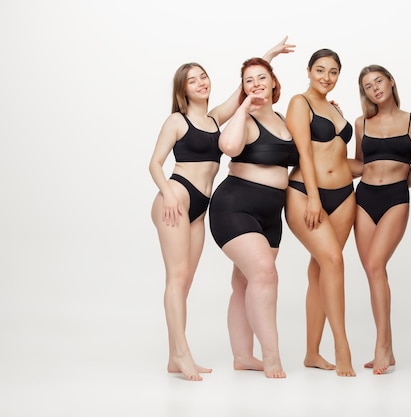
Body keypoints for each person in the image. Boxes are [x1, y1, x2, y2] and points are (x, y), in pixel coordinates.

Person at [149, 37, 295, 381]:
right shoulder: (177, 121)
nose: (201, 82)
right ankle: (182, 353)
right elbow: (155, 163)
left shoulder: (214, 120)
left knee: (186, 282)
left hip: (200, 207)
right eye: (193, 80)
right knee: (177, 278)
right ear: (182, 90)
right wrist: (167, 192)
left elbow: (245, 95)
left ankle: (174, 356)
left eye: (204, 77)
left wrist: (268, 57)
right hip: (176, 198)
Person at [209, 57, 298, 378]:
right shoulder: (243, 120)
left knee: (244, 282)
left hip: (271, 215)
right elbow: (229, 146)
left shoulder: (287, 120)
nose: (257, 83)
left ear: (275, 84)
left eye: (262, 77)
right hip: (235, 207)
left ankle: (242, 356)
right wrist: (243, 108)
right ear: (242, 89)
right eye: (249, 80)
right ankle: (271, 356)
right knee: (265, 274)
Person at [284, 48, 357, 377]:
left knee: (320, 270)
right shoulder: (300, 103)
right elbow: (304, 154)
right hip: (305, 194)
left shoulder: (335, 108)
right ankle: (342, 346)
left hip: (343, 195)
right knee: (333, 261)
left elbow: (339, 156)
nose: (327, 77)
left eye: (333, 72)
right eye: (320, 70)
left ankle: (312, 353)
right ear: (309, 71)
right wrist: (313, 198)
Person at [353, 65, 411, 375]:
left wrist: (400, 181)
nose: (375, 88)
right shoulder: (361, 123)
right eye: (368, 86)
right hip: (363, 198)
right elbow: (358, 163)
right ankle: (388, 347)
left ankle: (382, 347)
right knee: (372, 271)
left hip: (394, 199)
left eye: (379, 81)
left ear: (391, 81)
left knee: (376, 265)